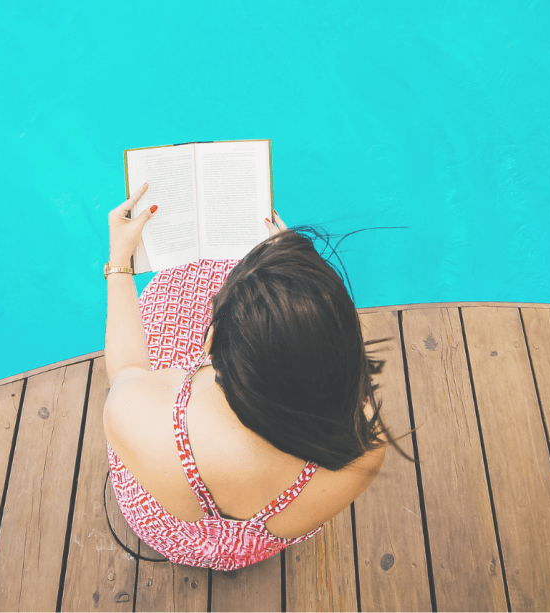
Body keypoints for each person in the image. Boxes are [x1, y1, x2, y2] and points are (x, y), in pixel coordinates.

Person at [102, 183, 394, 571]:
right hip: (269, 532)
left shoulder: (148, 425)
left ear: (209, 342)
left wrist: (119, 264)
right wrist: (297, 282)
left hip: (169, 523)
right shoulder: (365, 446)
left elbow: (125, 371)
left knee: (172, 290)